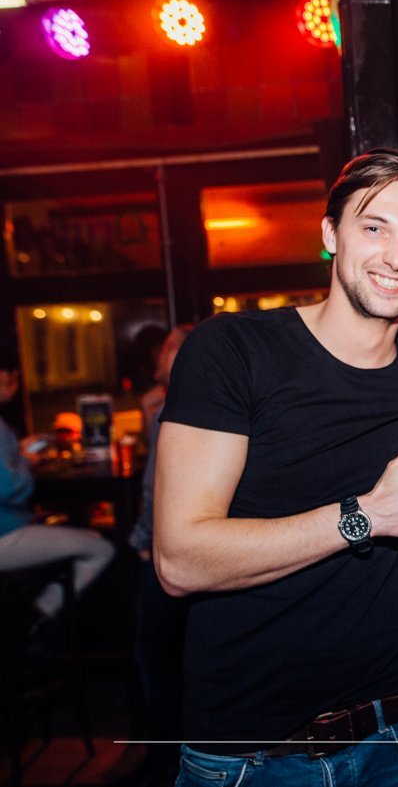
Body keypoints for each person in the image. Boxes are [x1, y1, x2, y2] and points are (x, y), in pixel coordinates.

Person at [153, 149, 398, 787]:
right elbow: (179, 560)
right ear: (330, 234)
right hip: (255, 754)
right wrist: (367, 516)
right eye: (374, 227)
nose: (396, 257)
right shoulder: (233, 350)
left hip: (395, 735)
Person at [0, 341, 114, 622]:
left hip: (10, 528)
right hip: (5, 537)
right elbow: (7, 486)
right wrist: (26, 461)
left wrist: (17, 452)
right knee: (101, 548)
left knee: (79, 534)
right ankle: (36, 618)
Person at [127, 323, 192, 787]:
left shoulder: (175, 408)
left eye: (169, 350)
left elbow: (157, 490)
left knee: (156, 659)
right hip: (193, 549)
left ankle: (164, 762)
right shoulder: (165, 405)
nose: (158, 364)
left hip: (169, 551)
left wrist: (141, 541)